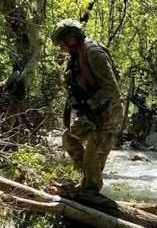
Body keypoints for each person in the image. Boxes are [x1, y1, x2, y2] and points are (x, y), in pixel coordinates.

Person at [51, 19, 123, 192]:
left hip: (107, 114)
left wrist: (90, 104)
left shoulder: (93, 53)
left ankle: (91, 193)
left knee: (93, 159)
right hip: (92, 113)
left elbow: (112, 89)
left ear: (72, 40)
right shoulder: (75, 57)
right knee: (69, 138)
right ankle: (88, 179)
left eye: (62, 44)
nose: (61, 48)